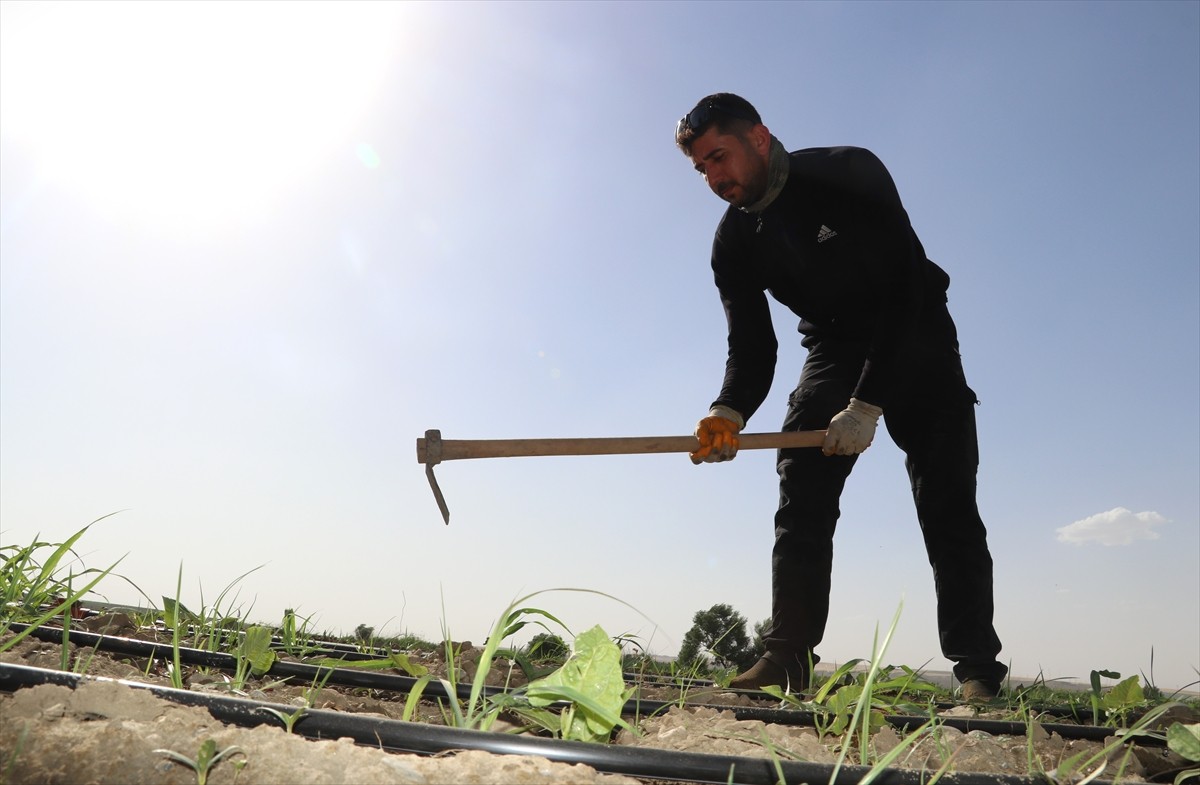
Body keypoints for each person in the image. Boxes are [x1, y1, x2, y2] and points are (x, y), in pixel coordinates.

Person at [675, 93, 1007, 701]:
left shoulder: (849, 173)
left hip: (916, 329)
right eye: (701, 168)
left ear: (759, 137)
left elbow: (904, 291)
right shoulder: (735, 240)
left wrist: (866, 406)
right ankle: (787, 658)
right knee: (801, 486)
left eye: (718, 157)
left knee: (948, 502)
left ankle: (978, 671)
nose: (713, 178)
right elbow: (752, 346)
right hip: (833, 346)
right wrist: (727, 410)